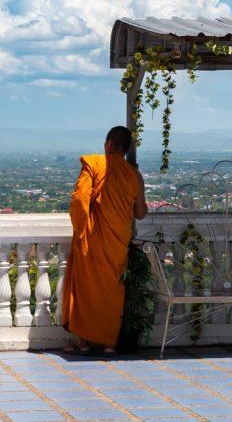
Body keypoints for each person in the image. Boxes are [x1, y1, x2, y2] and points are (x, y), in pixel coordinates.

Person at [61, 125, 148, 357]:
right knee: (112, 292)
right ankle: (109, 343)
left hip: (92, 240)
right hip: (118, 243)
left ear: (109, 144)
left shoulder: (93, 165)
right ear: (127, 148)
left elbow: (80, 201)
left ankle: (84, 343)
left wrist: (81, 229)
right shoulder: (134, 175)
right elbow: (140, 212)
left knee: (88, 291)